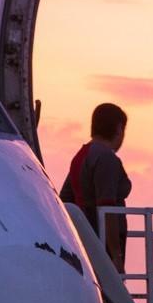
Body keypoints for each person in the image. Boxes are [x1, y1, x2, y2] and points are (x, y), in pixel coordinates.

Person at [60, 103, 132, 270]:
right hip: (101, 243)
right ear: (119, 129)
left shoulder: (80, 156)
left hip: (85, 241)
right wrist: (116, 255)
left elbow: (65, 200)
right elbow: (107, 208)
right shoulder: (106, 158)